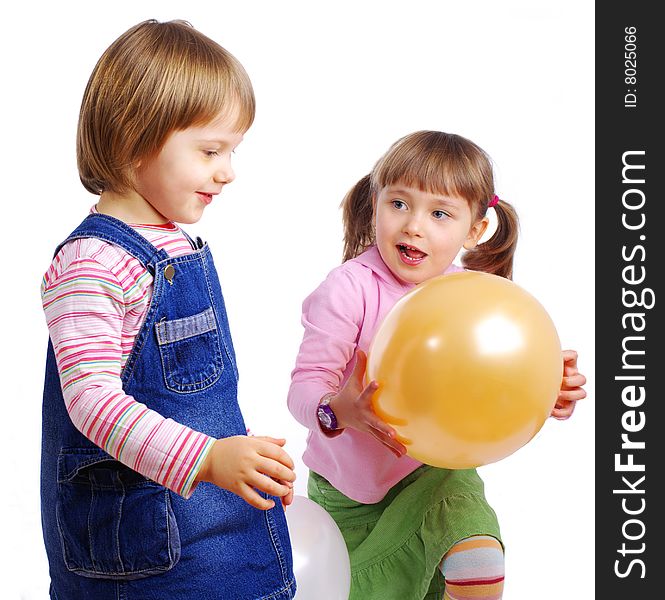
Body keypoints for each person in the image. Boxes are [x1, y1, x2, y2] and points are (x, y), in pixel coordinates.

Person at [40, 20, 296, 600]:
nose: (227, 171)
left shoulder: (173, 242)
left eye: (231, 151)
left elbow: (191, 397)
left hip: (212, 532)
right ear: (135, 139)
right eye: (211, 150)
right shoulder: (94, 262)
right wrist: (207, 457)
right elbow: (92, 403)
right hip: (146, 553)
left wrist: (239, 451)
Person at [287, 130, 587, 600]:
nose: (413, 227)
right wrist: (336, 410)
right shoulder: (349, 289)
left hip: (438, 472)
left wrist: (546, 389)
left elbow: (491, 383)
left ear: (474, 229)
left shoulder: (472, 297)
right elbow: (304, 389)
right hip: (352, 494)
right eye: (399, 204)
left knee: (479, 558)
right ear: (375, 202)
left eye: (439, 213)